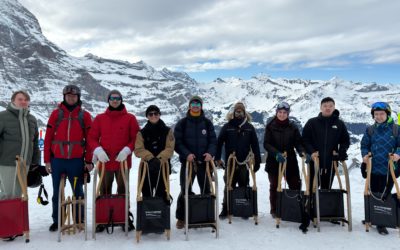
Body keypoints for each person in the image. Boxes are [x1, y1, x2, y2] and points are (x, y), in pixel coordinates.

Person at [89, 90, 140, 232]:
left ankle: (123, 217)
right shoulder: (100, 118)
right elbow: (92, 137)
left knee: (123, 190)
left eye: (118, 98)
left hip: (122, 161)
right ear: (108, 100)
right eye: (112, 98)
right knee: (104, 189)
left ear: (121, 100)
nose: (115, 100)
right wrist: (98, 150)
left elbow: (135, 138)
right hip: (105, 161)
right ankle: (103, 218)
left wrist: (127, 150)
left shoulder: (130, 118)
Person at [43, 85, 92, 232]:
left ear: (78, 97)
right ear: (64, 97)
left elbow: (90, 140)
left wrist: (88, 161)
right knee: (57, 192)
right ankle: (57, 220)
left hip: (76, 161)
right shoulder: (56, 114)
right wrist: (47, 160)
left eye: (74, 96)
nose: (71, 98)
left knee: (78, 191)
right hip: (57, 161)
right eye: (68, 96)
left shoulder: (84, 116)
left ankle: (79, 219)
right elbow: (48, 138)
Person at [174, 96, 217, 229]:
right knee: (185, 189)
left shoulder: (207, 123)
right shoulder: (182, 123)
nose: (196, 106)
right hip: (188, 162)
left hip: (204, 163)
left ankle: (207, 215)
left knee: (206, 189)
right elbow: (177, 142)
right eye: (193, 103)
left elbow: (213, 141)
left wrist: (210, 153)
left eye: (198, 103)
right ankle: (181, 217)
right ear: (189, 106)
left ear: (201, 106)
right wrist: (186, 154)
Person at [215, 102, 261, 219]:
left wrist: (257, 160)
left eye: (241, 111)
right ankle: (226, 208)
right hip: (231, 162)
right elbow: (219, 142)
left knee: (243, 184)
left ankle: (243, 208)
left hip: (244, 162)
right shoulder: (227, 126)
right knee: (228, 185)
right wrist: (218, 158)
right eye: (237, 110)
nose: (239, 112)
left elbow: (255, 145)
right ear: (233, 112)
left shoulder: (249, 128)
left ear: (244, 112)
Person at [360, 102, 400, 235]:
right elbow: (365, 144)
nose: (378, 116)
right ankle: (371, 216)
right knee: (373, 192)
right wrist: (365, 155)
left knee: (384, 194)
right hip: (373, 167)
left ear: (387, 114)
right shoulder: (370, 130)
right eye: (376, 114)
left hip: (389, 168)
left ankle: (382, 222)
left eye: (381, 114)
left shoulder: (396, 129)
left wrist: (397, 155)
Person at [263, 102, 305, 219]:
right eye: (280, 112)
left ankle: (294, 207)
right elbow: (266, 143)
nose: (282, 115)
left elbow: (298, 142)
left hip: (290, 160)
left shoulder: (293, 127)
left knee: (295, 184)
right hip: (274, 159)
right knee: (275, 185)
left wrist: (301, 151)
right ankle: (275, 209)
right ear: (276, 113)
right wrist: (276, 153)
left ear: (288, 114)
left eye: (284, 113)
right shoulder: (270, 125)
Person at [0, 91, 41, 200]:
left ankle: (14, 217)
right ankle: (4, 217)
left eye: (26, 99)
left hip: (24, 164)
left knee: (18, 195)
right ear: (13, 101)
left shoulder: (32, 119)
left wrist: (35, 163)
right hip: (6, 163)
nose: (23, 101)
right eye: (20, 99)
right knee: (6, 194)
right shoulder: (3, 117)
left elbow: (35, 143)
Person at [302, 97, 350, 189]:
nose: (328, 108)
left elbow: (345, 140)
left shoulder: (339, 124)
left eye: (330, 106)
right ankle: (310, 203)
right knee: (312, 189)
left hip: (331, 162)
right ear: (321, 107)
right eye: (325, 106)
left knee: (326, 190)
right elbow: (305, 140)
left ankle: (324, 203)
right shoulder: (312, 122)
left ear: (334, 107)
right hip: (314, 161)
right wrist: (311, 152)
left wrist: (342, 151)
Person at [134, 105, 175, 199]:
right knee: (146, 194)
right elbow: (138, 149)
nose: (153, 116)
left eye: (156, 113)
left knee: (162, 194)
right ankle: (147, 213)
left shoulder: (167, 131)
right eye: (150, 114)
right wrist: (151, 158)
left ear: (159, 115)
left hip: (163, 166)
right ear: (147, 116)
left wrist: (159, 159)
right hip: (146, 167)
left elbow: (170, 148)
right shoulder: (142, 133)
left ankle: (161, 213)